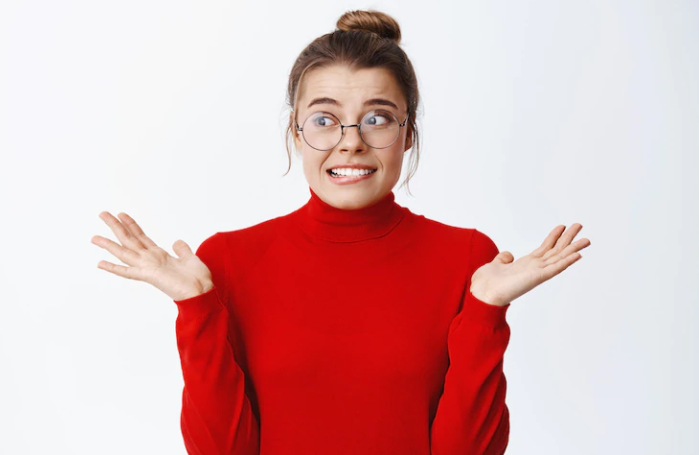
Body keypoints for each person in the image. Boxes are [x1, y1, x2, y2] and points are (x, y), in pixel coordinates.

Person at [91, 9, 591, 455]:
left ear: (408, 134)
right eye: (325, 119)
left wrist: (484, 310)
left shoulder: (466, 258)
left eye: (377, 118)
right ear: (297, 132)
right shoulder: (228, 259)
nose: (350, 143)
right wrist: (197, 306)